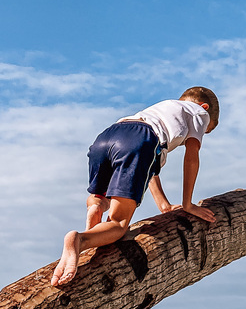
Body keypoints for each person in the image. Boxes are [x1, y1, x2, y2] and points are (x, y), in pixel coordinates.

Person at [51, 86, 220, 287]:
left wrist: (164, 206)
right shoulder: (199, 113)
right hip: (141, 141)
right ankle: (79, 240)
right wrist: (188, 204)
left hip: (109, 135)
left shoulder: (164, 108)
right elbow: (191, 157)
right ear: (204, 107)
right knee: (119, 224)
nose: (202, 133)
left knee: (102, 196)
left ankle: (96, 206)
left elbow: (150, 170)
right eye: (206, 130)